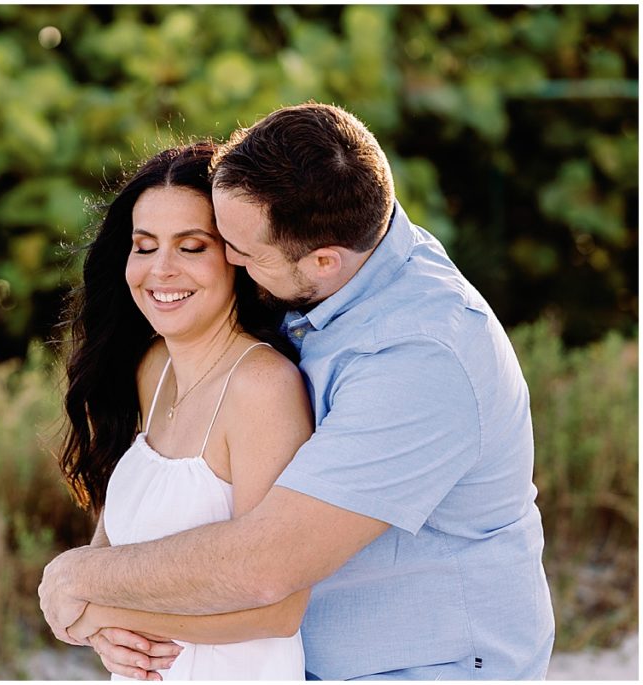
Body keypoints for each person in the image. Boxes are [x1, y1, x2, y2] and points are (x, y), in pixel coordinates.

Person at [41, 103, 556, 680]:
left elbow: (269, 566)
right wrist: (118, 622)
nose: (228, 260)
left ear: (323, 260)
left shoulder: (422, 358)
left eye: (238, 251)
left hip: (423, 666)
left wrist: (80, 582)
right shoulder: (334, 254)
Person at [52, 141, 318, 679]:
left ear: (235, 257)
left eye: (191, 247)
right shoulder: (153, 366)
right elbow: (113, 548)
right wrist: (103, 631)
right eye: (144, 246)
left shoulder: (264, 388)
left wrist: (95, 611)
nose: (161, 270)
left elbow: (280, 610)